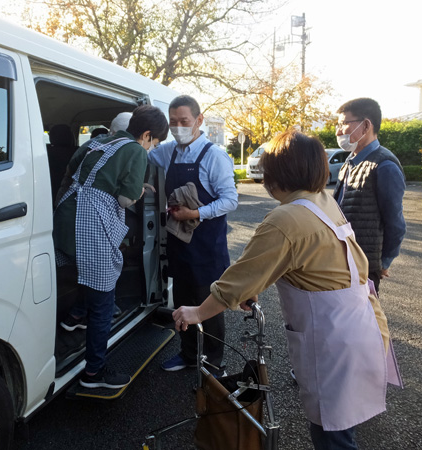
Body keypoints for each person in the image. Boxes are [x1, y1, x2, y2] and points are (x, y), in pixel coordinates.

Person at [173, 130, 402, 450]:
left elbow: (241, 277)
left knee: (332, 434)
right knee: (341, 427)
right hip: (360, 327)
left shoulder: (286, 217)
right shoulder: (322, 201)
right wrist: (257, 285)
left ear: (276, 175)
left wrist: (197, 311)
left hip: (334, 340)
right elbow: (302, 261)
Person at [53, 105, 169, 389]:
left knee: (83, 272)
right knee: (104, 297)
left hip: (66, 217)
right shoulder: (136, 151)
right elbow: (125, 201)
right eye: (154, 142)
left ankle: (76, 316)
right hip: (90, 226)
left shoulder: (97, 141)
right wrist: (140, 190)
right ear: (145, 135)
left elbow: (70, 173)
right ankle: (95, 373)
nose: (152, 148)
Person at [148, 95, 238, 375]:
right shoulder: (167, 152)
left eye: (184, 122)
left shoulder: (214, 155)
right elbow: (143, 154)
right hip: (179, 245)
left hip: (207, 247)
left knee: (208, 305)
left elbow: (230, 200)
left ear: (199, 121)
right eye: (173, 122)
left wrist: (195, 214)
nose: (178, 128)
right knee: (182, 303)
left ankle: (213, 363)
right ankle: (188, 354)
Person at [333, 98, 406, 293]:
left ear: (366, 125)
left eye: (344, 124)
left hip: (364, 265)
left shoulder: (385, 166)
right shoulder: (350, 161)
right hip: (341, 260)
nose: (339, 131)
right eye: (337, 125)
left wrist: (384, 261)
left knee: (362, 320)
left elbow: (395, 222)